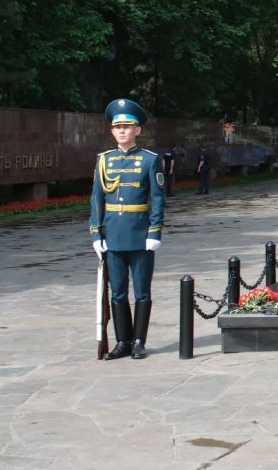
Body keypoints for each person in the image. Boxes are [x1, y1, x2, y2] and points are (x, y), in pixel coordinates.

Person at [89, 99, 164, 360]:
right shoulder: (103, 160)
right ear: (112, 131)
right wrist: (96, 233)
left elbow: (157, 199)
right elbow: (97, 199)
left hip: (140, 236)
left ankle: (139, 341)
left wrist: (154, 232)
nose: (122, 131)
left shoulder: (149, 160)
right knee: (117, 292)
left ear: (137, 130)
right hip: (113, 236)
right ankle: (123, 341)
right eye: (117, 127)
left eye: (127, 126)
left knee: (142, 291)